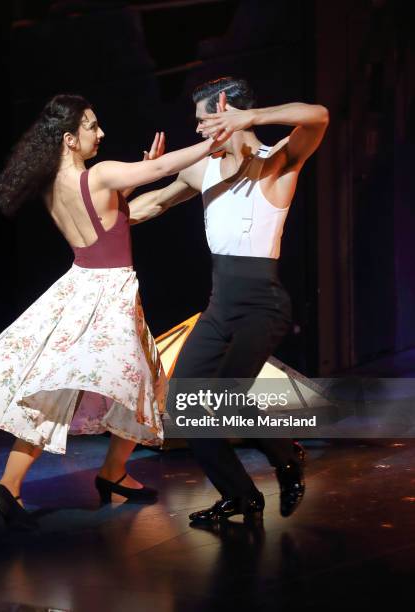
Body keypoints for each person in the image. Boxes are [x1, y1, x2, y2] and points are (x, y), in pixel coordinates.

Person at [0, 93, 230, 530]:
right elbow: (158, 170)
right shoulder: (102, 174)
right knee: (146, 384)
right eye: (92, 126)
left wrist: (133, 180)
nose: (101, 133)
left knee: (66, 390)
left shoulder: (53, 187)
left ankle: (18, 482)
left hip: (77, 288)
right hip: (108, 293)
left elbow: (104, 216)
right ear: (69, 139)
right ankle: (109, 472)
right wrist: (216, 139)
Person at [129, 77, 329, 524]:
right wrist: (130, 184)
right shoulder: (203, 170)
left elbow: (318, 115)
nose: (199, 131)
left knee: (224, 396)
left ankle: (287, 456)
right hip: (220, 305)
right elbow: (149, 207)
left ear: (230, 114)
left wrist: (254, 118)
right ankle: (240, 496)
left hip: (263, 303)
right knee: (183, 405)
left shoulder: (276, 163)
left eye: (205, 121)